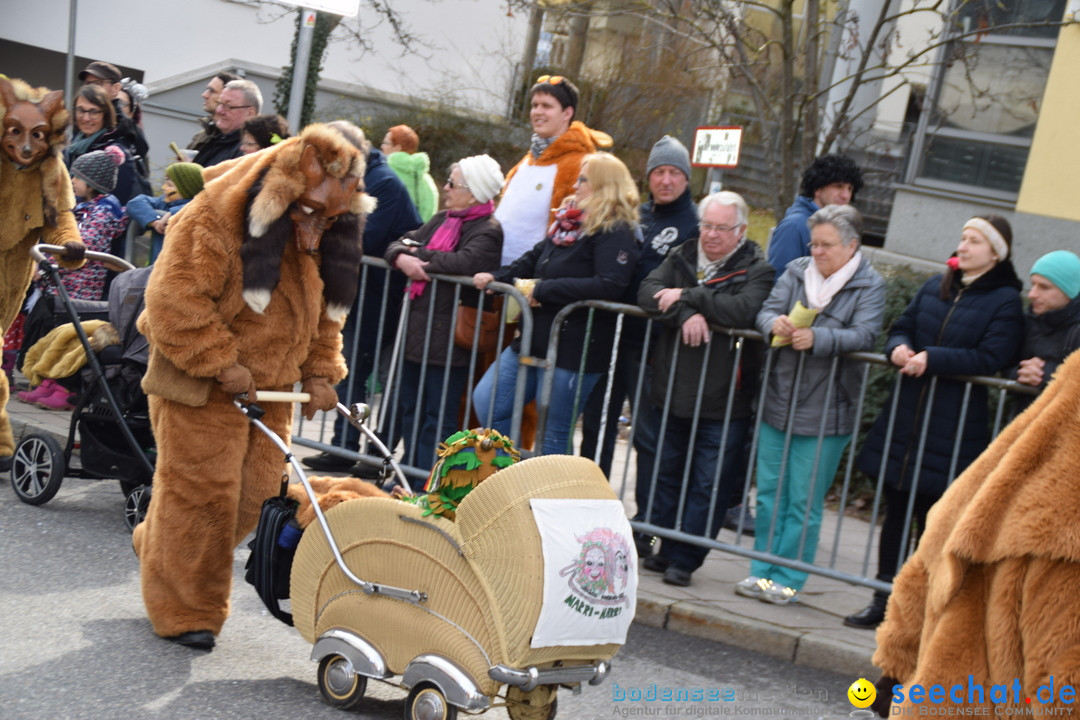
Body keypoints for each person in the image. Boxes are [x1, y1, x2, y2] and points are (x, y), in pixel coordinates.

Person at [131, 122, 373, 650]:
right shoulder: (215, 215)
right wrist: (222, 362)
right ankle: (186, 608)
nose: (316, 226)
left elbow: (327, 315)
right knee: (203, 498)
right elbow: (172, 301)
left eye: (329, 218)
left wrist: (319, 371)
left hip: (270, 389)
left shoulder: (327, 228)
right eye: (308, 212)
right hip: (201, 383)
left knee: (258, 498)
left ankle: (160, 547)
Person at [868, 350, 1080, 717]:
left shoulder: (987, 485)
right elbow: (1064, 689)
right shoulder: (1061, 540)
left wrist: (894, 673)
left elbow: (920, 577)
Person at [844, 214, 1025, 630]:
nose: (963, 246)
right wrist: (899, 348)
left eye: (975, 241)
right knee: (895, 515)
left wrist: (933, 359)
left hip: (953, 426)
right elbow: (902, 326)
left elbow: (993, 357)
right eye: (962, 237)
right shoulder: (936, 285)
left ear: (996, 253)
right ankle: (882, 599)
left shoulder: (1005, 301)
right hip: (907, 419)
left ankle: (921, 611)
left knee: (933, 524)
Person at [735, 204, 885, 605]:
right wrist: (775, 325)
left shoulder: (869, 284)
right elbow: (766, 311)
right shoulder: (797, 270)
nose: (817, 251)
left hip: (828, 407)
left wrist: (820, 339)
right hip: (779, 396)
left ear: (851, 245)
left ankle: (789, 577)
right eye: (814, 243)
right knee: (769, 492)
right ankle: (760, 572)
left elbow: (866, 335)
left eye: (826, 245)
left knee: (802, 498)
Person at [636, 191, 773, 587]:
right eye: (707, 225)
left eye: (721, 228)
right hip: (672, 388)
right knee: (667, 473)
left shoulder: (757, 270)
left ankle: (686, 558)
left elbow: (743, 309)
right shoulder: (682, 254)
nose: (711, 235)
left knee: (708, 484)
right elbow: (648, 292)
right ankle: (664, 548)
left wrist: (686, 296)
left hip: (723, 400)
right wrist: (687, 313)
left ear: (741, 231)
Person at [472, 152, 640, 455]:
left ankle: (547, 499)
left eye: (583, 180)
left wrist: (544, 289)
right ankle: (515, 476)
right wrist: (498, 278)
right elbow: (535, 258)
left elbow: (609, 285)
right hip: (534, 339)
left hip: (576, 349)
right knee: (488, 402)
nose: (575, 185)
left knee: (553, 434)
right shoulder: (568, 222)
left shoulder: (615, 230)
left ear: (604, 185)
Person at [301, 130, 423, 474]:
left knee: (383, 376)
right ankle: (343, 447)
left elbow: (361, 237)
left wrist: (321, 227)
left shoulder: (383, 182)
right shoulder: (353, 178)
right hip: (360, 293)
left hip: (387, 298)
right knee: (351, 368)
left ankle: (376, 453)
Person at [384, 155, 504, 479]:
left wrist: (414, 255)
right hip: (417, 330)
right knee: (411, 409)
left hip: (449, 337)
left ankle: (428, 480)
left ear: (475, 192)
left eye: (453, 183)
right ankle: (408, 475)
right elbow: (396, 243)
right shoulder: (441, 219)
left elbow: (464, 262)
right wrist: (401, 258)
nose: (445, 188)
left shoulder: (489, 230)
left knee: (438, 417)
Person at [16, 147, 129, 411]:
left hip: (80, 288)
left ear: (92, 183)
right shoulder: (83, 209)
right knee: (54, 335)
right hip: (63, 284)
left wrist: (45, 266)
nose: (72, 182)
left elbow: (81, 249)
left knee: (71, 337)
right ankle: (49, 380)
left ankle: (65, 386)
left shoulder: (102, 213)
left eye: (76, 177)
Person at [495, 75, 612, 265]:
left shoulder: (579, 164)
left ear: (567, 113)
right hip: (496, 274)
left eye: (547, 106)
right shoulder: (527, 160)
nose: (538, 112)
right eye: (535, 105)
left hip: (531, 279)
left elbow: (580, 228)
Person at [767, 155, 863, 282]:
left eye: (850, 189)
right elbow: (779, 281)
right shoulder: (795, 226)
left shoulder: (845, 227)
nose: (845, 195)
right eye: (838, 186)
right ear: (817, 188)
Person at [1006, 250, 1080, 414]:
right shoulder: (1030, 320)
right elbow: (1007, 367)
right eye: (1033, 284)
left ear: (1068, 292)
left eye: (1044, 287)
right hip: (1025, 426)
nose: (1032, 294)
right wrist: (1021, 373)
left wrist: (1045, 375)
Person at [64, 85, 142, 204]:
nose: (86, 118)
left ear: (106, 114)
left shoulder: (116, 154)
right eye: (81, 110)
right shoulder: (71, 147)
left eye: (94, 112)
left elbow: (117, 206)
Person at [78, 61, 150, 180]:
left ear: (116, 88)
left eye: (97, 83)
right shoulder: (81, 116)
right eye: (87, 84)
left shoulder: (123, 125)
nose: (91, 88)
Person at [126, 162, 205, 263]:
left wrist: (173, 213)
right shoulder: (163, 202)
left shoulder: (197, 210)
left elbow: (198, 207)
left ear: (186, 190)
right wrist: (155, 220)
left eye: (169, 185)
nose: (164, 187)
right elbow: (135, 203)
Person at [192, 79, 260, 167]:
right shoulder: (218, 139)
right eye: (220, 104)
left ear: (250, 113)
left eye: (228, 106)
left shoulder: (249, 150)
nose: (219, 111)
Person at [381, 124, 439, 222]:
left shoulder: (385, 173)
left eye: (385, 143)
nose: (382, 146)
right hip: (415, 235)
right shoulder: (425, 178)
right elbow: (430, 212)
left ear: (397, 148)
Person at [187, 70, 241, 153]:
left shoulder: (242, 141)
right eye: (207, 90)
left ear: (227, 98)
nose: (204, 95)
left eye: (212, 91)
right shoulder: (202, 136)